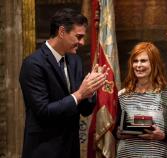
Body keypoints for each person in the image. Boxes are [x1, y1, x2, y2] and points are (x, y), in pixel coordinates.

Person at [19, 8, 107, 158]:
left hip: (71, 149)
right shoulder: (33, 64)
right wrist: (79, 94)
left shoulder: (75, 61)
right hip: (44, 150)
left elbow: (85, 110)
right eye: (78, 37)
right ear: (61, 32)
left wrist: (91, 89)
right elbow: (43, 112)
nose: (82, 42)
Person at [115, 42, 167, 158]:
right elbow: (116, 131)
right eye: (135, 61)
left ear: (154, 63)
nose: (138, 65)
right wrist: (119, 133)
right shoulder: (123, 95)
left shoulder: (166, 93)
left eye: (143, 61)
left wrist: (162, 136)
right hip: (127, 154)